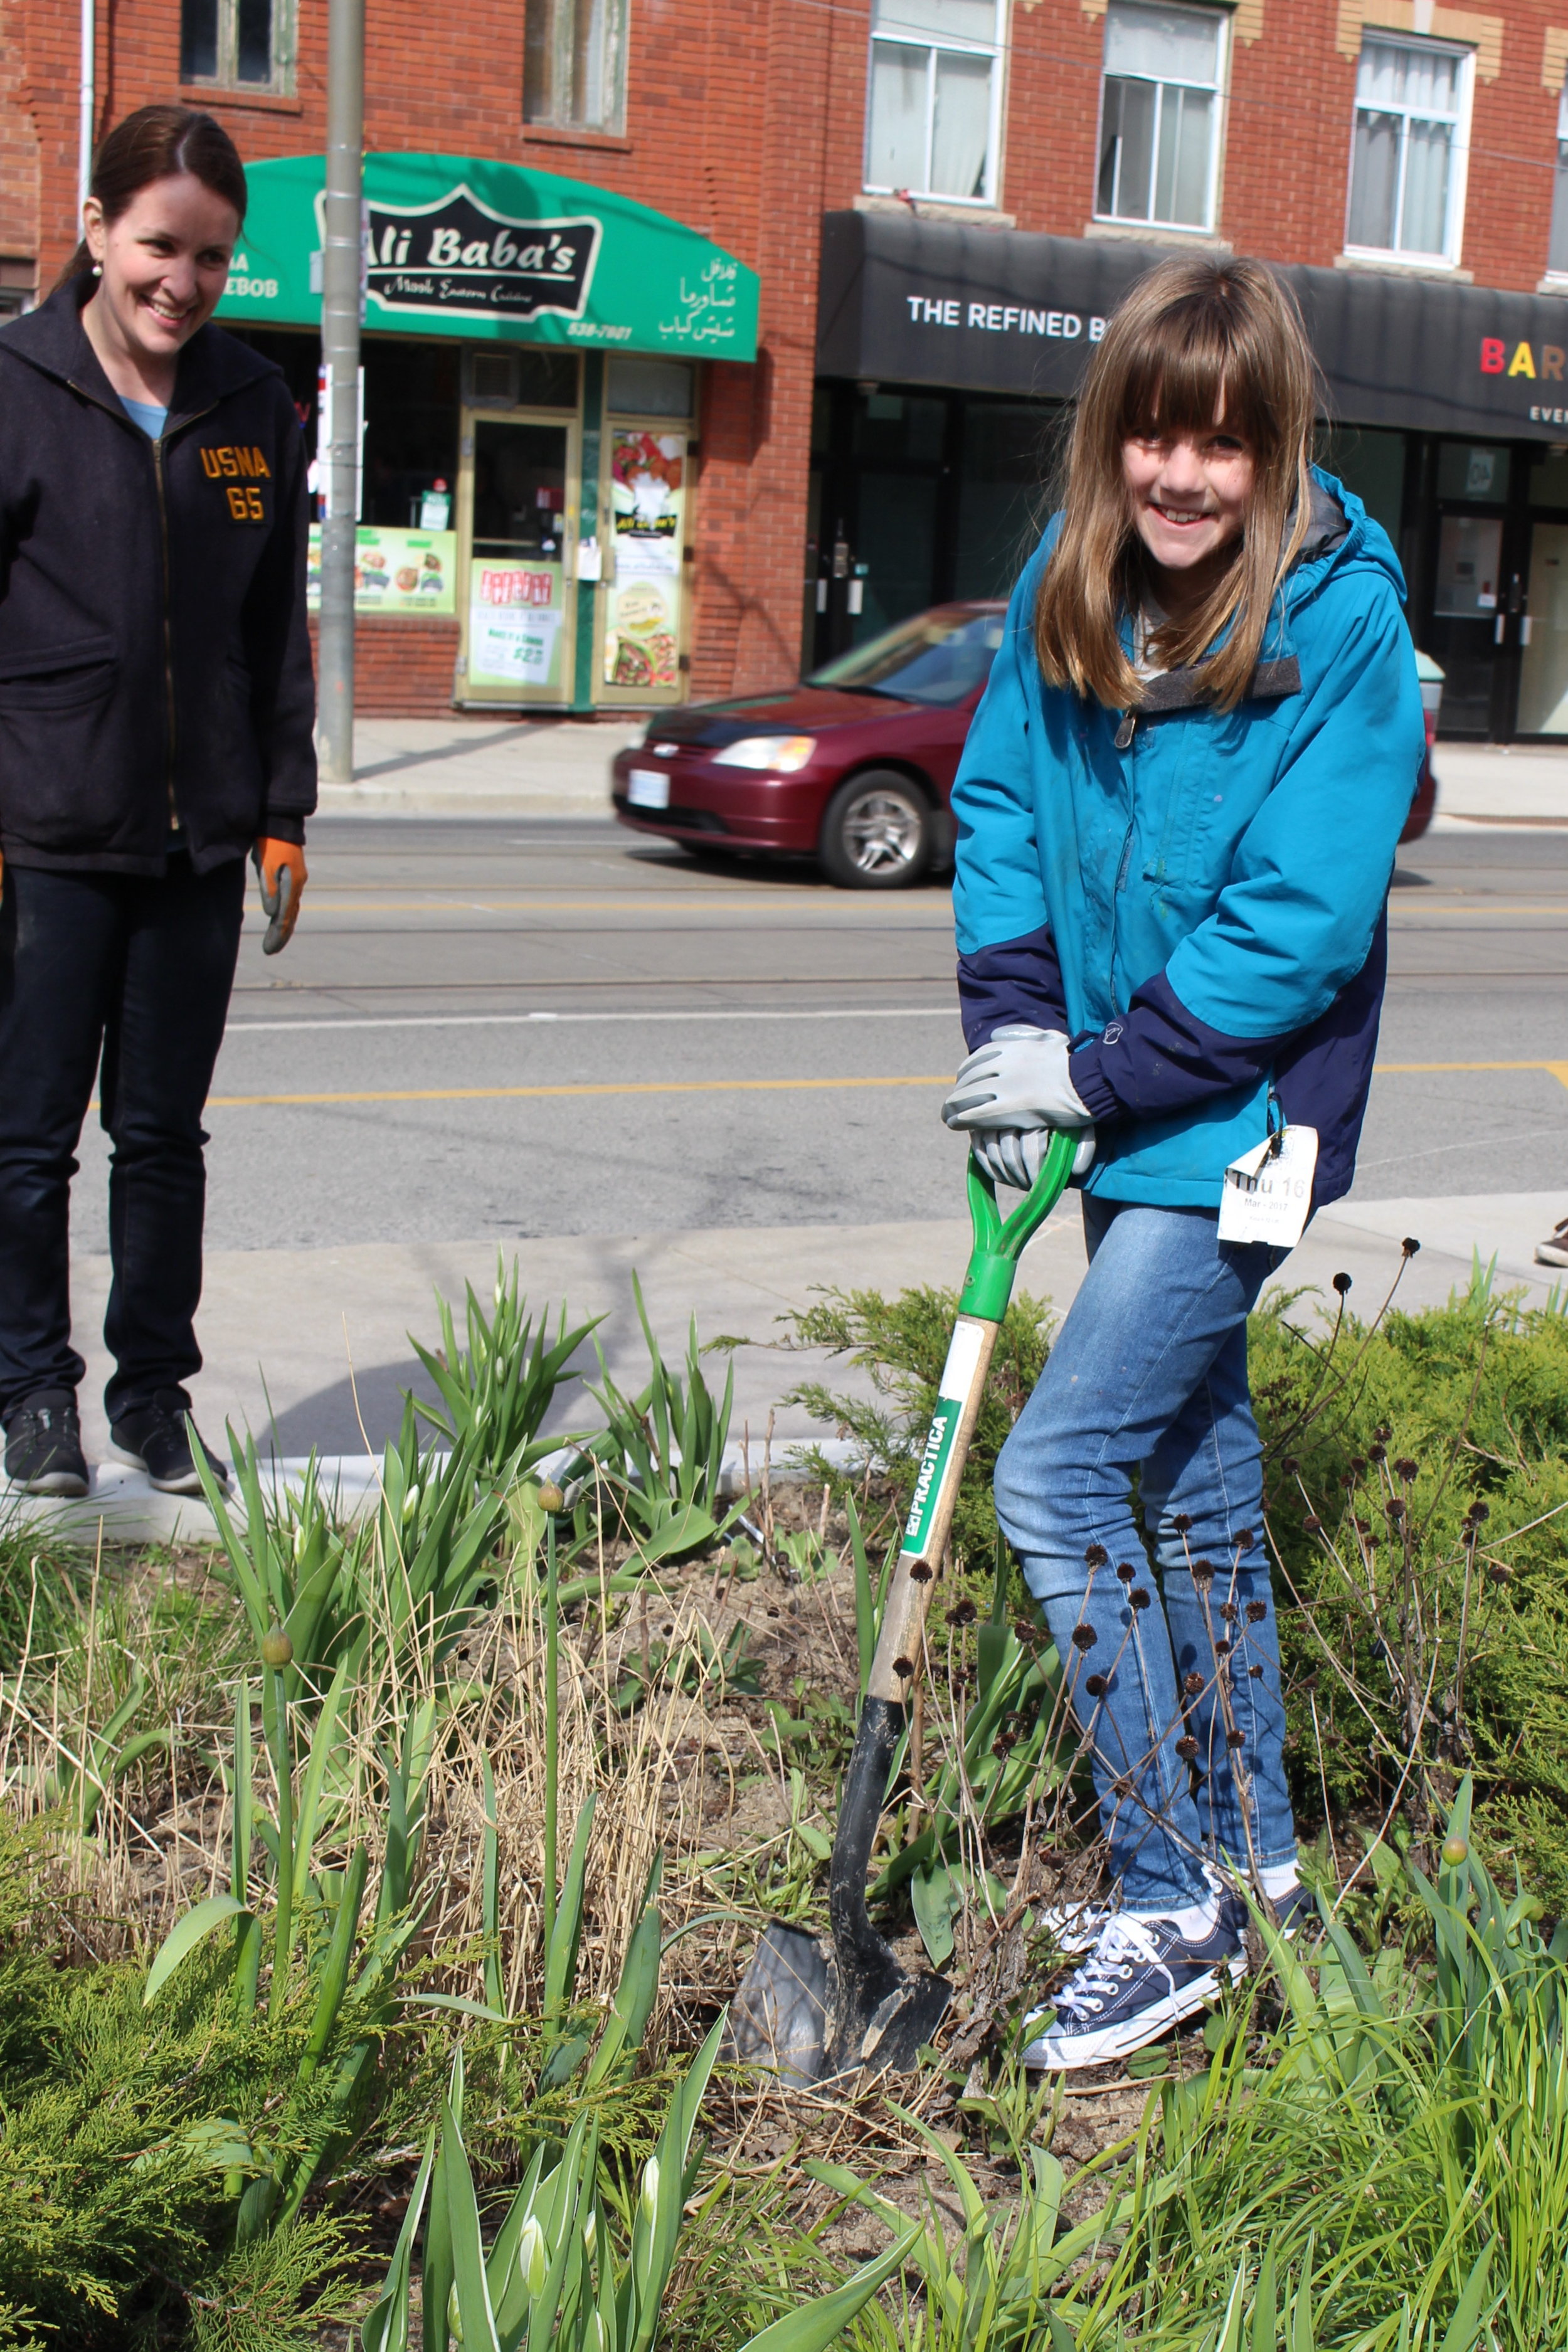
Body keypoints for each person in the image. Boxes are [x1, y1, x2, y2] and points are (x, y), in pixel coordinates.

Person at [941, 258, 1424, 2070]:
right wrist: (1009, 1031)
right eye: (1155, 427)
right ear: (1111, 433)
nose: (1181, 471)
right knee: (1201, 1494)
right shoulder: (1066, 592)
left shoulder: (1336, 622)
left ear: (1271, 446)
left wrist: (1092, 1073)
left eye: (1221, 439)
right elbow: (997, 806)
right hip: (1106, 1102)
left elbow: (1296, 920)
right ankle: (1263, 1863)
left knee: (1058, 1483)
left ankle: (1166, 1900)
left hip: (1243, 1121)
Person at [0, 105, 314, 1498]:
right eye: (158, 247)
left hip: (200, 840)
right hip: (44, 834)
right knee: (23, 1143)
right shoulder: (13, 383)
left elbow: (270, 632)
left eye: (212, 258)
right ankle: (28, 1397)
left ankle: (151, 1396)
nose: (181, 282)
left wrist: (283, 810)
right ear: (95, 230)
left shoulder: (252, 404)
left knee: (162, 1140)